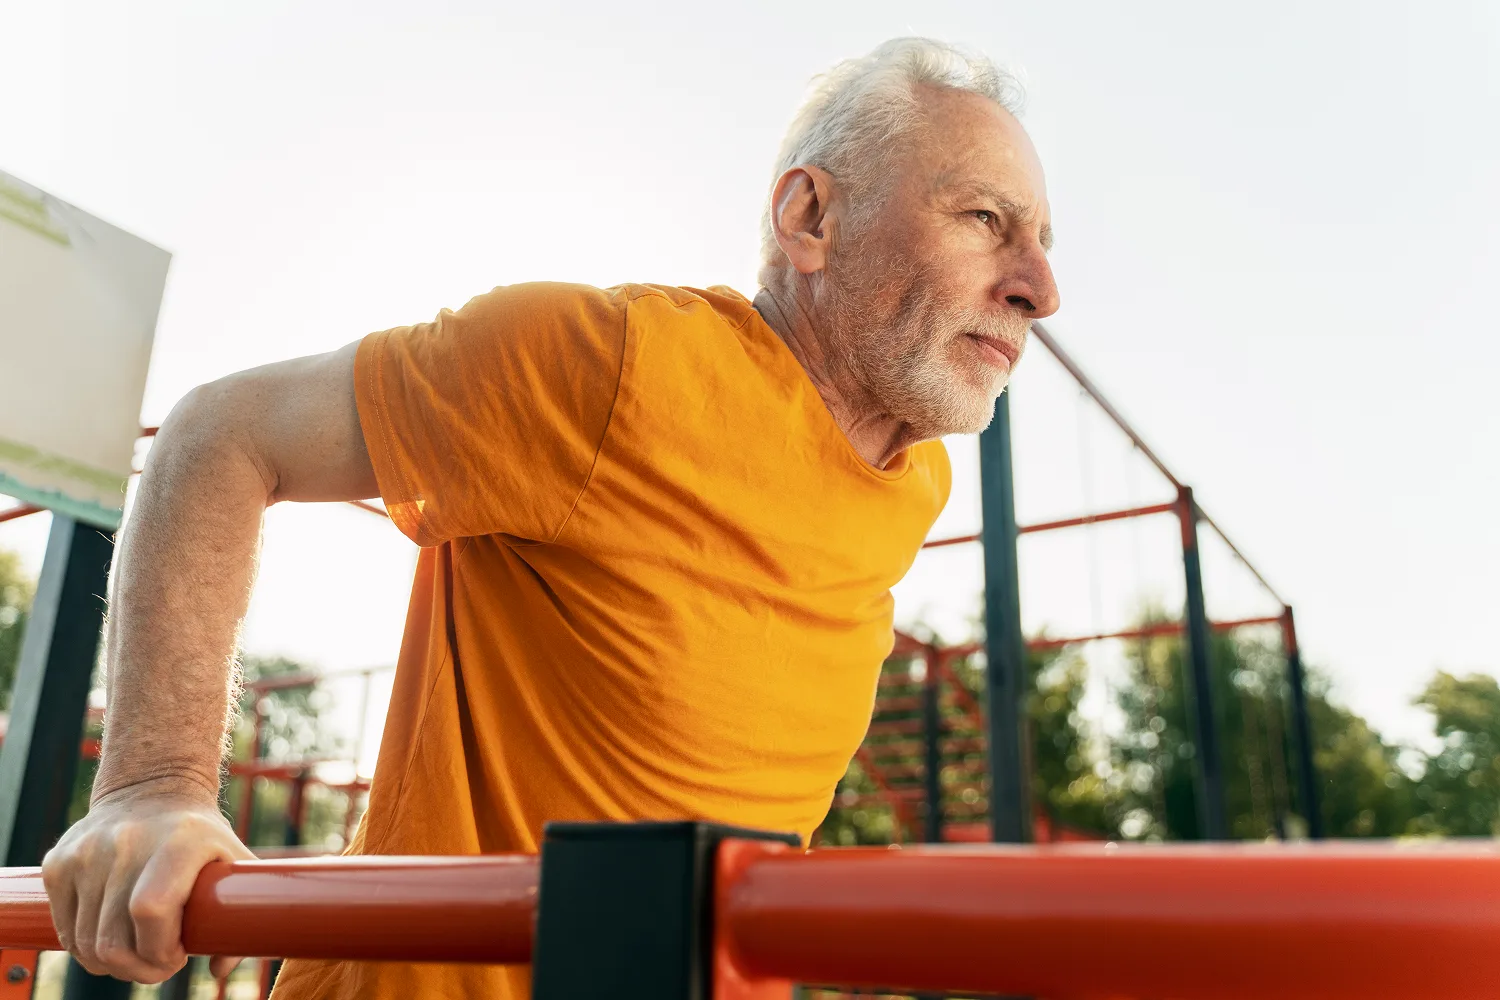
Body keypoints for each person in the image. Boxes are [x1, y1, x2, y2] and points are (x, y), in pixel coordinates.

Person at [41, 36, 1058, 998]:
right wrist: (153, 785)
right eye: (984, 219)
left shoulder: (916, 477)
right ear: (810, 218)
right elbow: (217, 432)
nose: (1040, 288)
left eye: (1044, 243)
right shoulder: (613, 364)